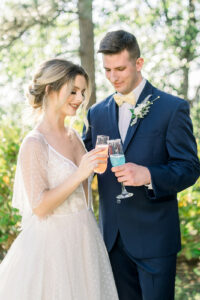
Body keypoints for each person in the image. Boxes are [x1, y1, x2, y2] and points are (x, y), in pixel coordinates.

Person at [83, 30, 200, 300]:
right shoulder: (96, 113)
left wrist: (149, 175)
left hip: (155, 239)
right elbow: (82, 159)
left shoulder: (172, 108)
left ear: (139, 63)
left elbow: (190, 167)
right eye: (107, 70)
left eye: (120, 68)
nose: (113, 77)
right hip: (111, 239)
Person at [0, 58, 119, 300]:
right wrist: (80, 173)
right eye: (73, 91)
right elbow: (40, 206)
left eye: (83, 92)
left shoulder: (74, 136)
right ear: (50, 89)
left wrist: (96, 170)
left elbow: (81, 193)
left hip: (86, 240)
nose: (79, 98)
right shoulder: (34, 143)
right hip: (54, 248)